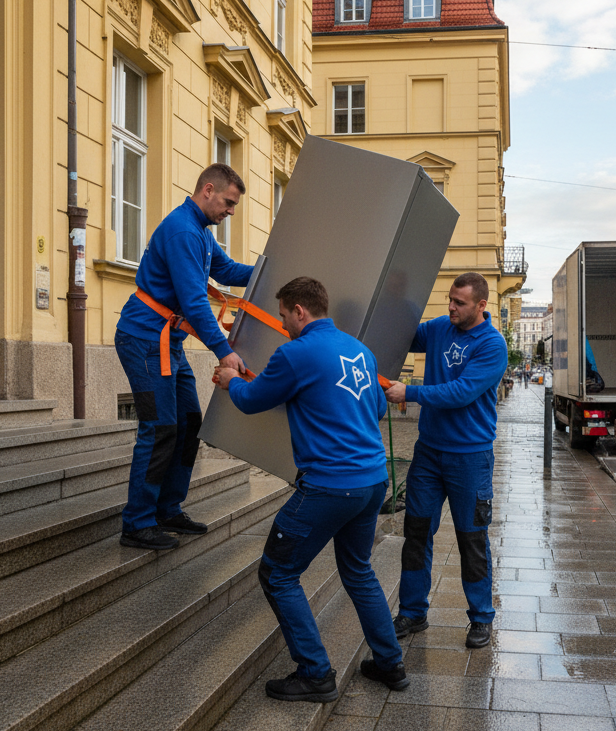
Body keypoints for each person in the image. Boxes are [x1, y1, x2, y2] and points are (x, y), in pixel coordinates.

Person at [213, 276, 408, 702]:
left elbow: (251, 400)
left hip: (329, 486)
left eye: (284, 315)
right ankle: (390, 663)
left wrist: (230, 379)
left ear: (300, 311)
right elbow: (376, 407)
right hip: (372, 481)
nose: (283, 324)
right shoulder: (359, 351)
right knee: (358, 571)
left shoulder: (296, 353)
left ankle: (315, 673)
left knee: (278, 573)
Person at [115, 164, 254, 551]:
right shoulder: (183, 230)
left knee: (189, 422)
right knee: (159, 428)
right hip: (143, 340)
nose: (231, 211)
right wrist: (225, 352)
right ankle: (137, 523)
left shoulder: (201, 232)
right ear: (208, 190)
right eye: (228, 202)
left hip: (166, 343)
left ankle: (167, 509)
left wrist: (273, 270)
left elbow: (227, 270)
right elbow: (194, 302)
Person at [382, 272, 508, 650]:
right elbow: (402, 335)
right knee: (416, 531)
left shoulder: (492, 344)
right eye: (450, 300)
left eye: (459, 303)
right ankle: (413, 611)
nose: (451, 307)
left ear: (481, 305)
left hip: (470, 457)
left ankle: (481, 617)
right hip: (429, 453)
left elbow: (461, 392)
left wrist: (410, 392)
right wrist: (393, 297)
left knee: (471, 537)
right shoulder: (439, 328)